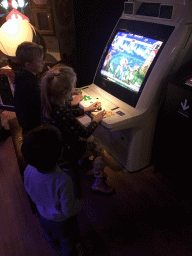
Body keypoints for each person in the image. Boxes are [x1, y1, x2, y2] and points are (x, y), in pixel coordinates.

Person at [41, 63, 114, 194]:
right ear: (65, 92)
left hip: (54, 147)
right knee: (98, 147)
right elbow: (85, 133)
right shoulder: (63, 113)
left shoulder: (49, 103)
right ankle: (99, 182)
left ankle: (82, 162)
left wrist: (86, 109)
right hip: (67, 151)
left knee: (82, 137)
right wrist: (96, 120)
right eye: (72, 88)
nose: (74, 90)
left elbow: (66, 112)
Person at [21, 124, 81, 256]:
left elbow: (28, 189)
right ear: (59, 153)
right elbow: (68, 210)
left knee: (49, 234)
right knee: (67, 240)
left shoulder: (28, 169)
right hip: (61, 221)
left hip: (42, 213)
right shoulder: (63, 180)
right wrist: (78, 204)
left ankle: (54, 246)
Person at [14, 41, 45, 136]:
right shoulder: (28, 84)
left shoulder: (25, 76)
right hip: (34, 125)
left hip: (29, 120)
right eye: (40, 61)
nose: (43, 63)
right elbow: (44, 104)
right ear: (28, 65)